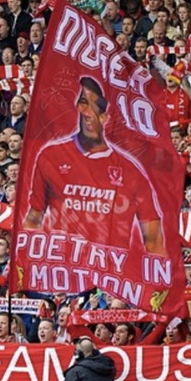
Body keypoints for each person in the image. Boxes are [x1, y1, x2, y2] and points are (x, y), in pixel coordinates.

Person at [23, 77, 165, 254]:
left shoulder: (131, 171)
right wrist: (24, 262)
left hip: (110, 274)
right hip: (66, 270)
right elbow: (34, 219)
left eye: (94, 107)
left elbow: (154, 242)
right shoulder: (50, 156)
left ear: (104, 117)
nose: (87, 112)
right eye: (83, 103)